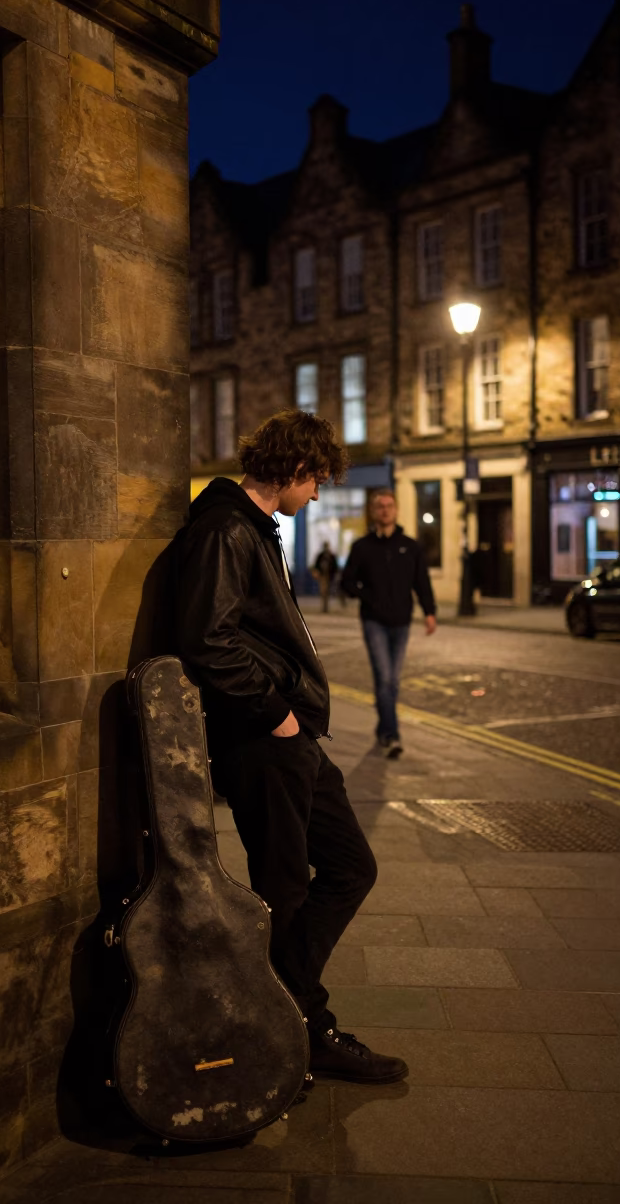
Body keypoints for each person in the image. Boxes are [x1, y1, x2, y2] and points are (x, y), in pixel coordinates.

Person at [176, 409, 408, 1085]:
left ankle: (281, 1009)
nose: (318, 495)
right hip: (264, 742)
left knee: (348, 868)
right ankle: (296, 1029)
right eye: (318, 483)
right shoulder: (226, 529)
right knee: (283, 889)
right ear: (296, 470)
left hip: (289, 740)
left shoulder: (253, 530)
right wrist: (276, 712)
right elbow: (206, 638)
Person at [342, 488, 437, 759]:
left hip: (402, 621)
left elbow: (422, 582)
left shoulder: (410, 546)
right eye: (380, 506)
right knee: (385, 677)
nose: (385, 510)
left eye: (389, 505)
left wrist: (430, 612)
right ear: (373, 512)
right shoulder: (362, 547)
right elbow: (347, 582)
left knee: (392, 681)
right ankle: (392, 734)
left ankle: (383, 729)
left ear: (395, 510)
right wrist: (368, 596)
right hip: (374, 621)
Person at [312, 541, 339, 613]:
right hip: (322, 576)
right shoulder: (320, 556)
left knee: (327, 591)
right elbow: (316, 565)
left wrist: (335, 574)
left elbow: (335, 567)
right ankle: (324, 607)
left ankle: (326, 606)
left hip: (329, 576)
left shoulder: (331, 556)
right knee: (323, 591)